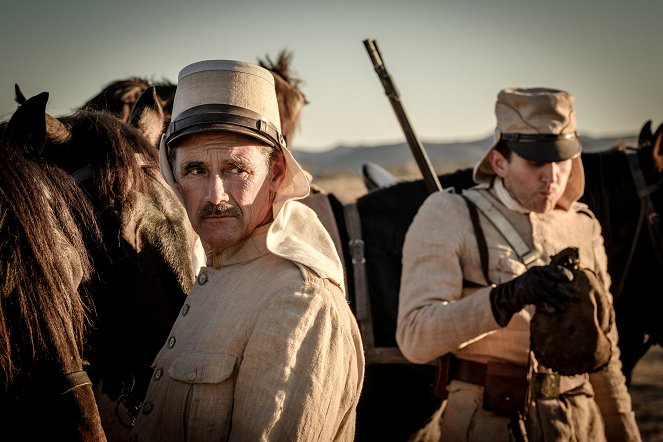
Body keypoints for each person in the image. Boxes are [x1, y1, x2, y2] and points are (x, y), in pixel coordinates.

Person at [129, 59, 364, 441]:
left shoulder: (299, 300)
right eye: (195, 170)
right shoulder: (217, 273)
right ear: (174, 178)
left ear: (275, 174)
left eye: (236, 169)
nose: (215, 196)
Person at [396, 87, 641, 441]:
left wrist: (626, 435)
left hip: (580, 427)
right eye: (536, 162)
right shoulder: (449, 215)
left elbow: (607, 355)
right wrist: (503, 300)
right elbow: (415, 338)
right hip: (488, 424)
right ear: (499, 162)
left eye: (562, 160)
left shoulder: (583, 225)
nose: (552, 176)